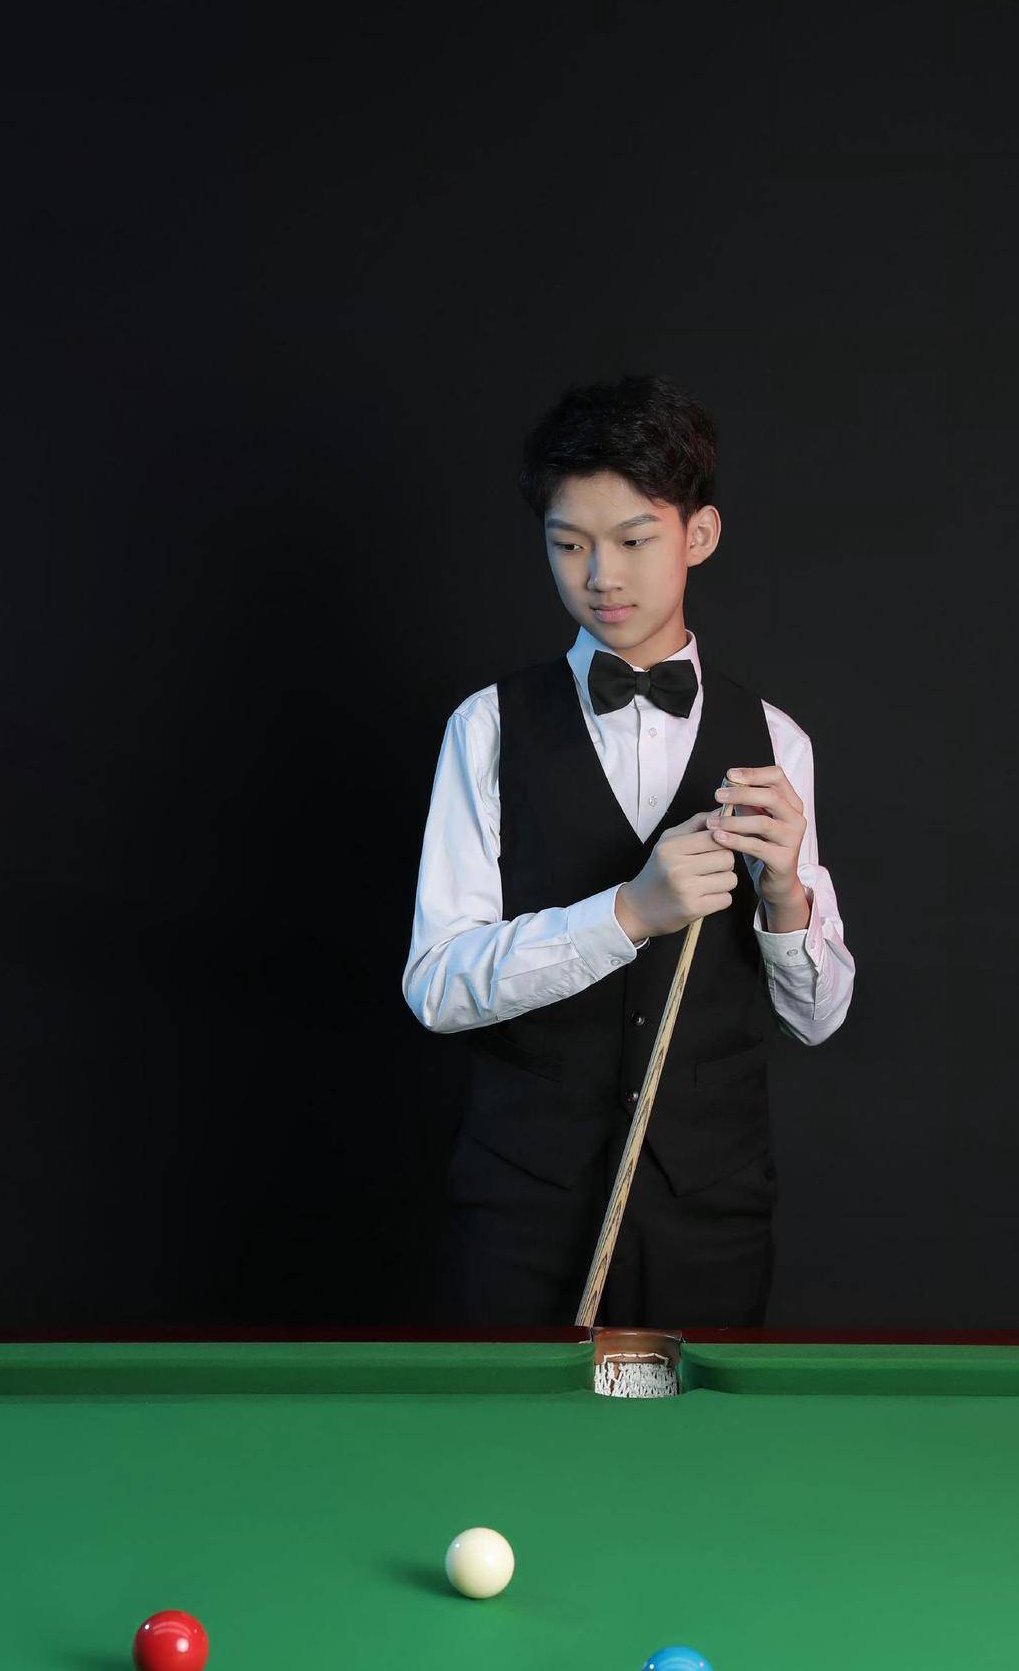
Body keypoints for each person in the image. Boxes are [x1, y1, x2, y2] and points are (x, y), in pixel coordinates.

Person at [402, 372, 855, 1329]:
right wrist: (628, 914)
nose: (601, 576)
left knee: (700, 1433)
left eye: (634, 541)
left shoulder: (778, 741)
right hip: (520, 1211)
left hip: (712, 1216)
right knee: (509, 1433)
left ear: (700, 535)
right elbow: (437, 987)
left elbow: (816, 1021)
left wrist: (785, 898)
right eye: (569, 545)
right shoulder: (486, 728)